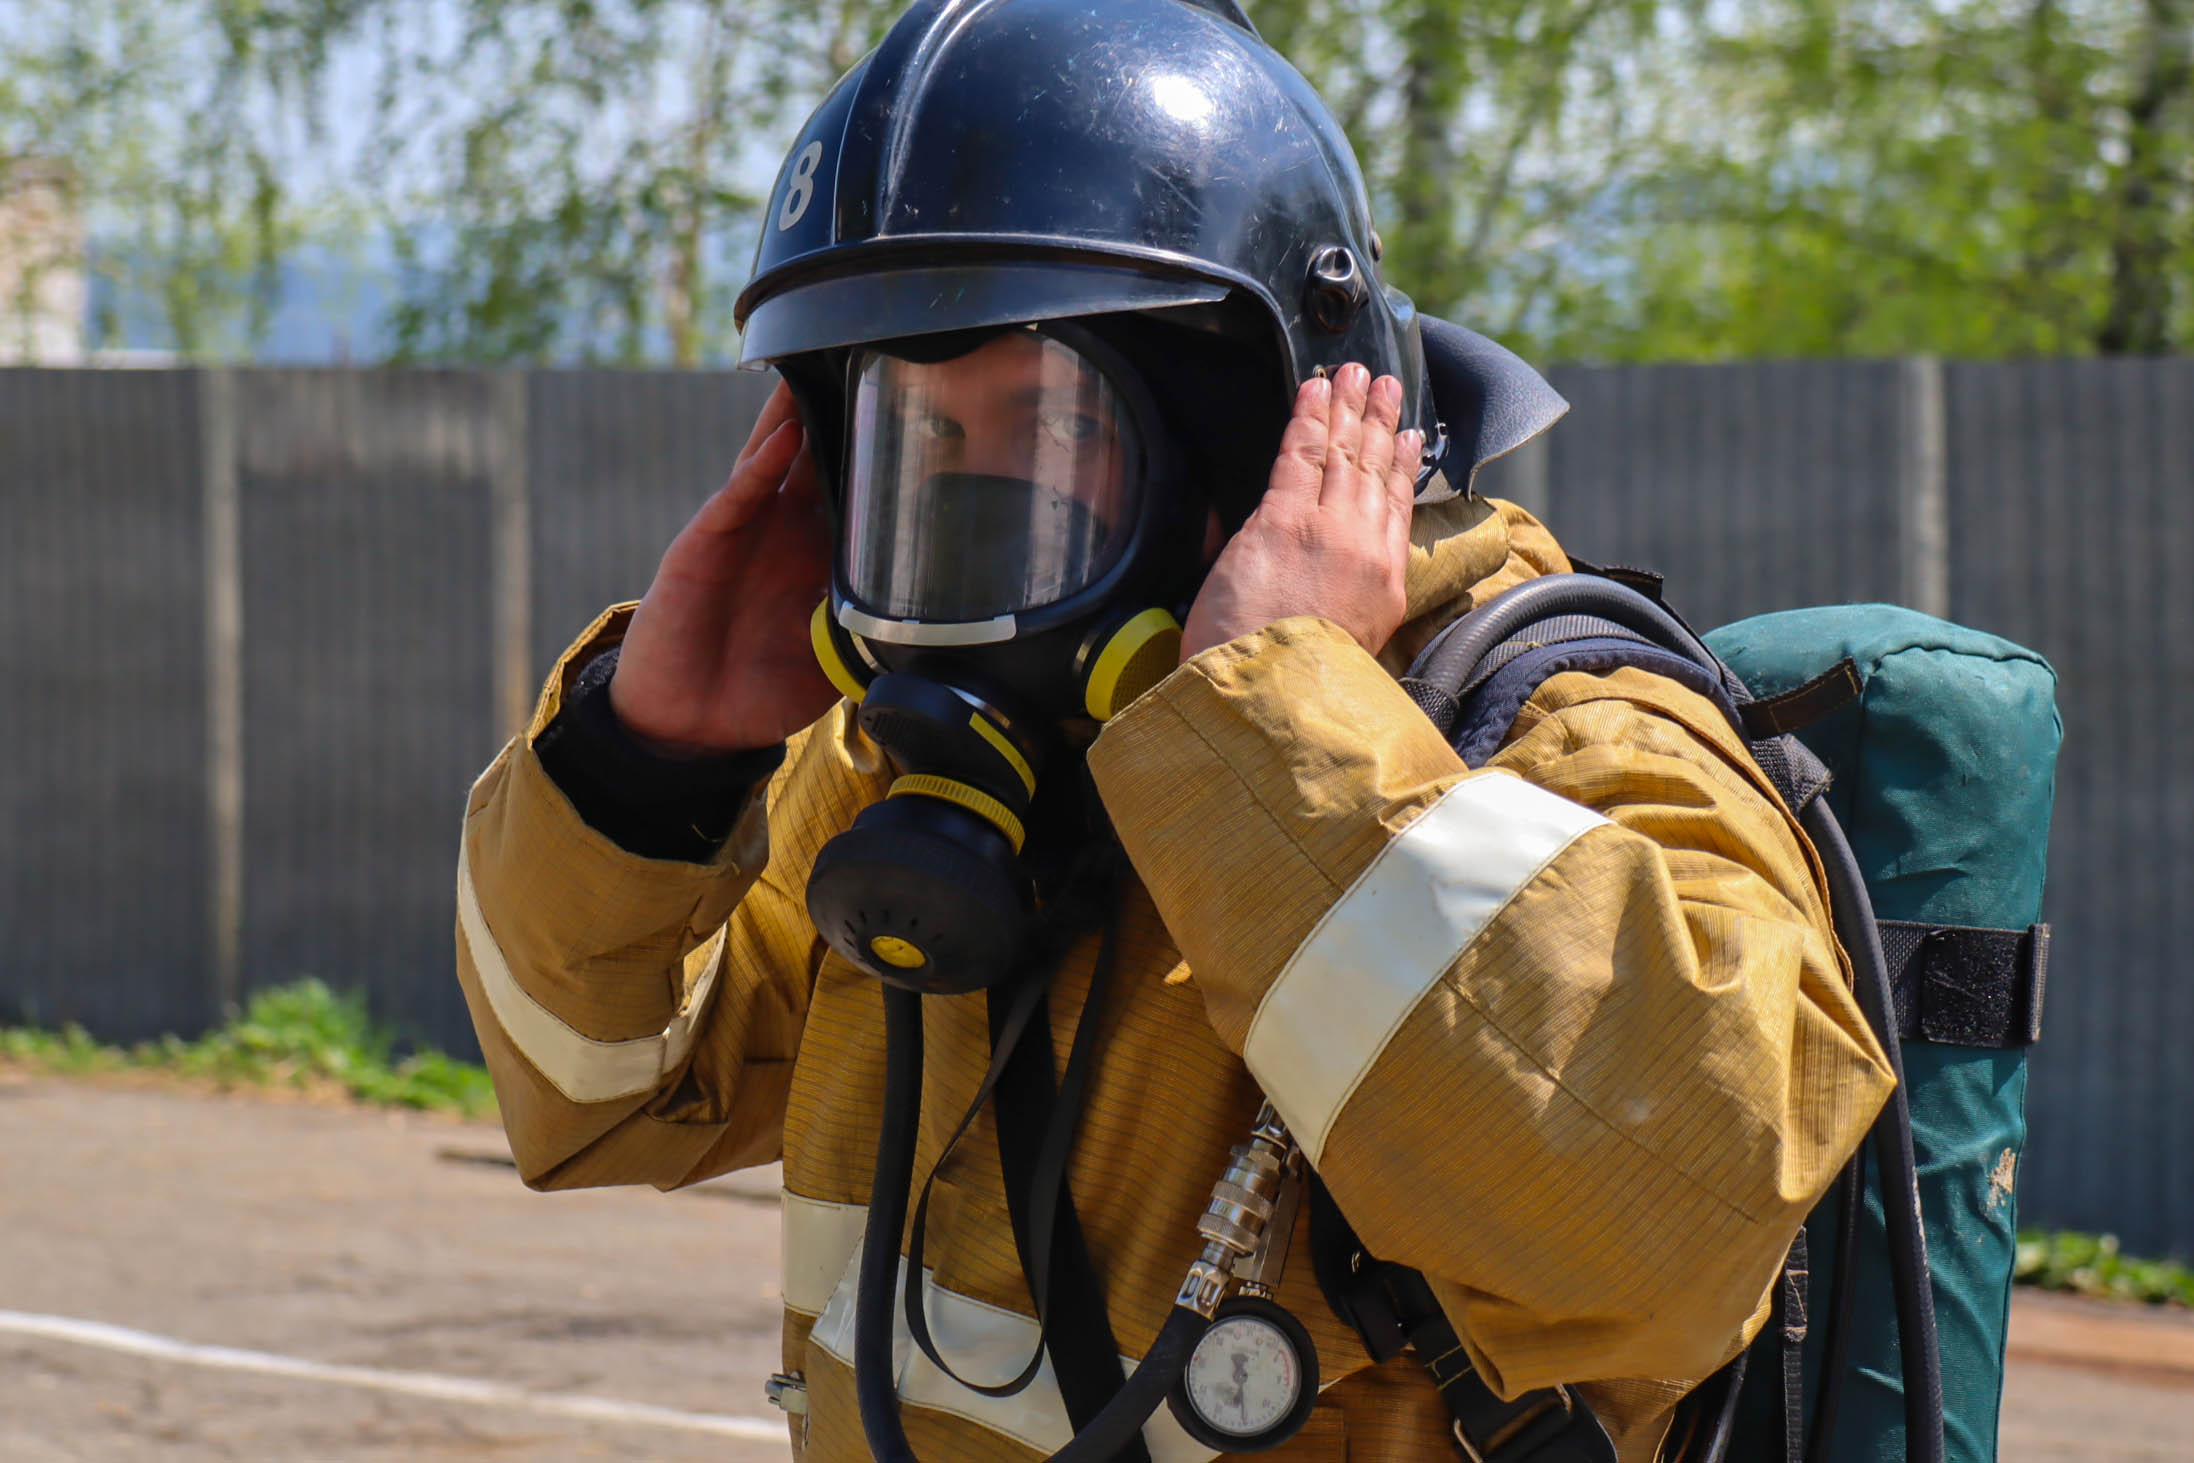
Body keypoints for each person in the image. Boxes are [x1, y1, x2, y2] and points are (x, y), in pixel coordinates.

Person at [452, 3, 1892, 1460]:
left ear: (1250, 432)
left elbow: (1665, 1231)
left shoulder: (1550, 736)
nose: (965, 516)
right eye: (917, 440)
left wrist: (1272, 736)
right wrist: (648, 770)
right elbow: (595, 1102)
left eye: (1042, 423)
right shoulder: (928, 775)